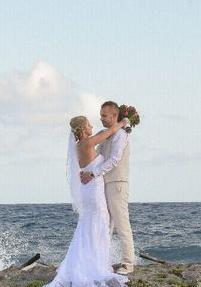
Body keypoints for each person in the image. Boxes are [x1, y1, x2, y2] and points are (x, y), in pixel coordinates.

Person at [45, 115, 130, 287]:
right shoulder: (87, 143)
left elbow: (102, 134)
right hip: (93, 190)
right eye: (89, 124)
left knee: (90, 225)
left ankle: (93, 260)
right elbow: (111, 131)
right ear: (84, 129)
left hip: (89, 189)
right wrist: (123, 122)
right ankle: (96, 264)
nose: (92, 126)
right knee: (99, 223)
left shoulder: (79, 145)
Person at [80, 101, 135, 274]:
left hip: (117, 184)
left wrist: (93, 174)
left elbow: (114, 160)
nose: (101, 118)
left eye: (104, 115)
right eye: (101, 115)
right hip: (103, 184)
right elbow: (91, 150)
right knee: (106, 225)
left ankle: (128, 263)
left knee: (121, 223)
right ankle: (104, 261)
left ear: (114, 116)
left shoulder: (120, 135)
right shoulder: (105, 134)